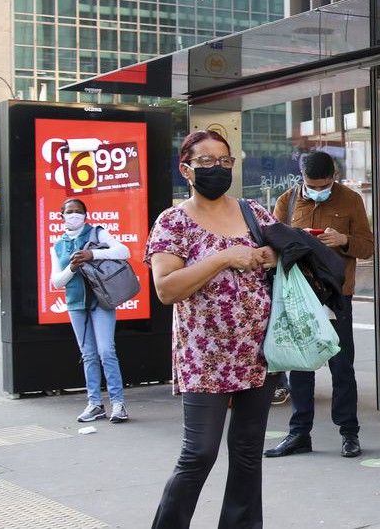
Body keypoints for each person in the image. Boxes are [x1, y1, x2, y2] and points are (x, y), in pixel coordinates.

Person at [146, 130, 279, 529]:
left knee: (247, 451)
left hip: (259, 351)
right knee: (199, 453)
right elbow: (166, 288)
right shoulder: (173, 221)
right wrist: (223, 257)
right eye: (206, 162)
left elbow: (280, 251)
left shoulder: (252, 210)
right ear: (186, 169)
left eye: (224, 161)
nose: (217, 169)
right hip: (204, 357)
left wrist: (271, 254)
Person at [264, 150, 374, 459]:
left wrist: (342, 240)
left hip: (336, 295)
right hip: (300, 295)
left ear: (334, 177)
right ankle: (299, 433)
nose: (318, 189)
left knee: (341, 366)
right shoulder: (286, 202)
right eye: (312, 185)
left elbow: (367, 247)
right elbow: (272, 243)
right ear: (302, 179)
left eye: (324, 184)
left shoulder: (350, 200)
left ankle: (349, 432)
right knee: (301, 365)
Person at [50, 198, 131, 423]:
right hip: (76, 303)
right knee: (88, 354)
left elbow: (123, 251)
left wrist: (92, 255)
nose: (74, 215)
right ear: (62, 216)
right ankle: (95, 403)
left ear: (86, 215)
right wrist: (72, 267)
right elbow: (57, 281)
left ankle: (118, 403)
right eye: (70, 212)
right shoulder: (58, 245)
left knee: (106, 351)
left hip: (101, 300)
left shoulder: (97, 232)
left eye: (79, 212)